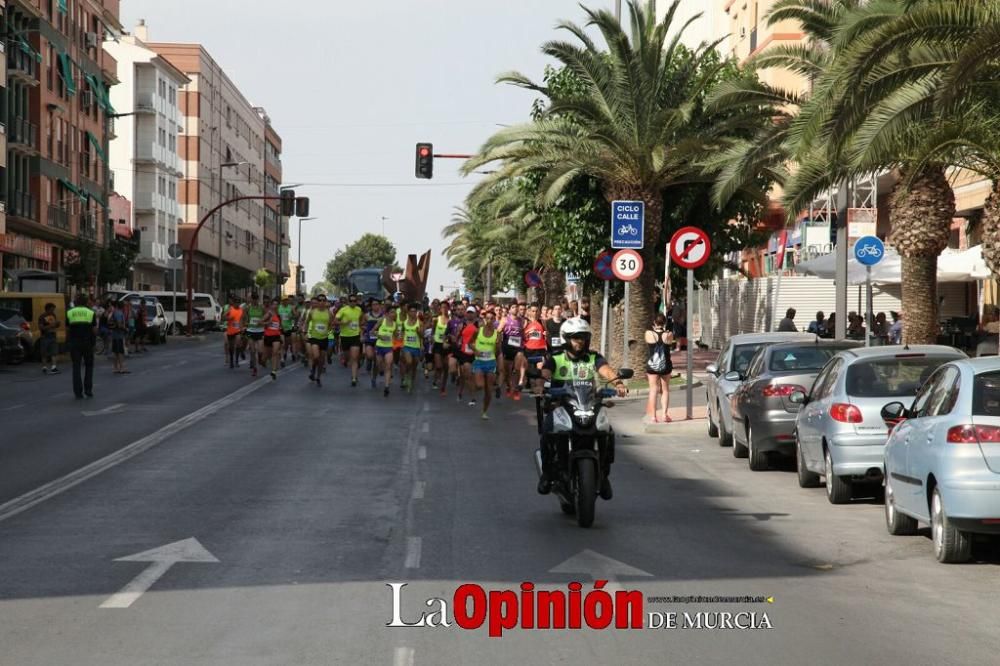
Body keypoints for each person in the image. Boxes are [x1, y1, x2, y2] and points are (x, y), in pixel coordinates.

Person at [538, 318, 628, 497]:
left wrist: (618, 383)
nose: (580, 341)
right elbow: (545, 374)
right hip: (561, 405)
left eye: (583, 337)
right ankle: (547, 474)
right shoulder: (556, 357)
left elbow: (606, 370)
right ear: (566, 339)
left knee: (607, 432)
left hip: (588, 403)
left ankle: (603, 474)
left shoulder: (593, 357)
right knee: (548, 431)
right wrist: (541, 386)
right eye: (576, 337)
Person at [472, 307, 502, 420]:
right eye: (487, 318)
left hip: (491, 363)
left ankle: (484, 411)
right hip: (479, 362)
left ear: (494, 320)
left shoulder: (497, 334)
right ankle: (476, 387)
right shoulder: (478, 330)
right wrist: (475, 350)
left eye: (491, 318)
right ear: (485, 319)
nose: (489, 320)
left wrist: (498, 345)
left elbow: (498, 351)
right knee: (480, 385)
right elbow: (470, 343)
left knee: (489, 391)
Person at [66, 296, 98, 399]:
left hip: (74, 343)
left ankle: (78, 392)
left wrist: (68, 342)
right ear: (86, 302)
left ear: (75, 302)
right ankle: (88, 390)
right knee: (89, 366)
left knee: (76, 367)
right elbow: (94, 330)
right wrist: (94, 342)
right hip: (87, 343)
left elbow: (67, 329)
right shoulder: (91, 312)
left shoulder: (69, 312)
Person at [644, 314, 674, 423]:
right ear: (665, 323)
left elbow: (647, 342)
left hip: (652, 366)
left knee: (653, 390)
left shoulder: (648, 333)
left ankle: (653, 417)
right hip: (666, 365)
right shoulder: (669, 334)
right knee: (665, 390)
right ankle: (665, 415)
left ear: (654, 322)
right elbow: (670, 343)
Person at [336, 293, 365, 387]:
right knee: (348, 357)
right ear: (348, 302)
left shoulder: (359, 309)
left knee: (354, 358)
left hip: (355, 336)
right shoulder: (343, 310)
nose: (353, 302)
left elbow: (361, 319)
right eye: (351, 301)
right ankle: (345, 360)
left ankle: (353, 378)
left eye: (354, 301)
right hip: (345, 336)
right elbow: (335, 321)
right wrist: (343, 322)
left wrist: (361, 328)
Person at [304, 294, 332, 387]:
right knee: (316, 356)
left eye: (324, 300)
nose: (322, 302)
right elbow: (307, 322)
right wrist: (305, 332)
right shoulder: (312, 312)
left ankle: (318, 377)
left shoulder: (329, 313)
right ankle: (313, 369)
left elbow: (331, 324)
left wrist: (329, 331)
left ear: (326, 302)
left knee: (321, 360)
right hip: (314, 338)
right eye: (320, 300)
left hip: (324, 338)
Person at [243, 293, 266, 378]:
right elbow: (244, 319)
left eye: (256, 299)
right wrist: (245, 325)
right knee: (252, 351)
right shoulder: (247, 308)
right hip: (251, 330)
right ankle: (255, 368)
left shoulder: (262, 307)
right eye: (254, 299)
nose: (255, 301)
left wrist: (262, 322)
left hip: (260, 331)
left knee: (260, 350)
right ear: (251, 299)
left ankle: (260, 359)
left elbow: (268, 316)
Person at [262, 298, 283, 380]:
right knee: (266, 356)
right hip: (268, 336)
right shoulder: (269, 314)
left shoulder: (278, 315)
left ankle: (274, 371)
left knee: (275, 352)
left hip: (276, 336)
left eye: (277, 304)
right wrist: (268, 323)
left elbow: (279, 326)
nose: (275, 306)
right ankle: (263, 361)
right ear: (271, 305)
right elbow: (260, 322)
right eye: (274, 304)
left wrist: (281, 330)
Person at [38, 302, 61, 374]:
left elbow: (55, 325)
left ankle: (54, 367)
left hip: (53, 335)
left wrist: (57, 324)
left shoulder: (53, 315)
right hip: (45, 336)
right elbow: (41, 327)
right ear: (48, 309)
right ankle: (44, 367)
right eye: (52, 309)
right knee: (44, 353)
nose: (53, 311)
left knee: (54, 352)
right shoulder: (42, 316)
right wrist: (51, 325)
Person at [223, 296, 245, 368]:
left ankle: (237, 361)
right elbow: (223, 317)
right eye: (236, 303)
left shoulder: (241, 310)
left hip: (238, 330)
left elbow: (242, 320)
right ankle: (231, 361)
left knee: (238, 343)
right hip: (230, 330)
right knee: (231, 347)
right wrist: (229, 318)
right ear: (234, 303)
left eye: (239, 303)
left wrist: (242, 328)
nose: (237, 304)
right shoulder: (230, 309)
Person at [109, 301, 129, 374]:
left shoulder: (115, 312)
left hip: (115, 335)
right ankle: (121, 368)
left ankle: (115, 368)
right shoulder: (119, 313)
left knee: (115, 352)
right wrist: (125, 329)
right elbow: (119, 324)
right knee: (120, 352)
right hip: (118, 335)